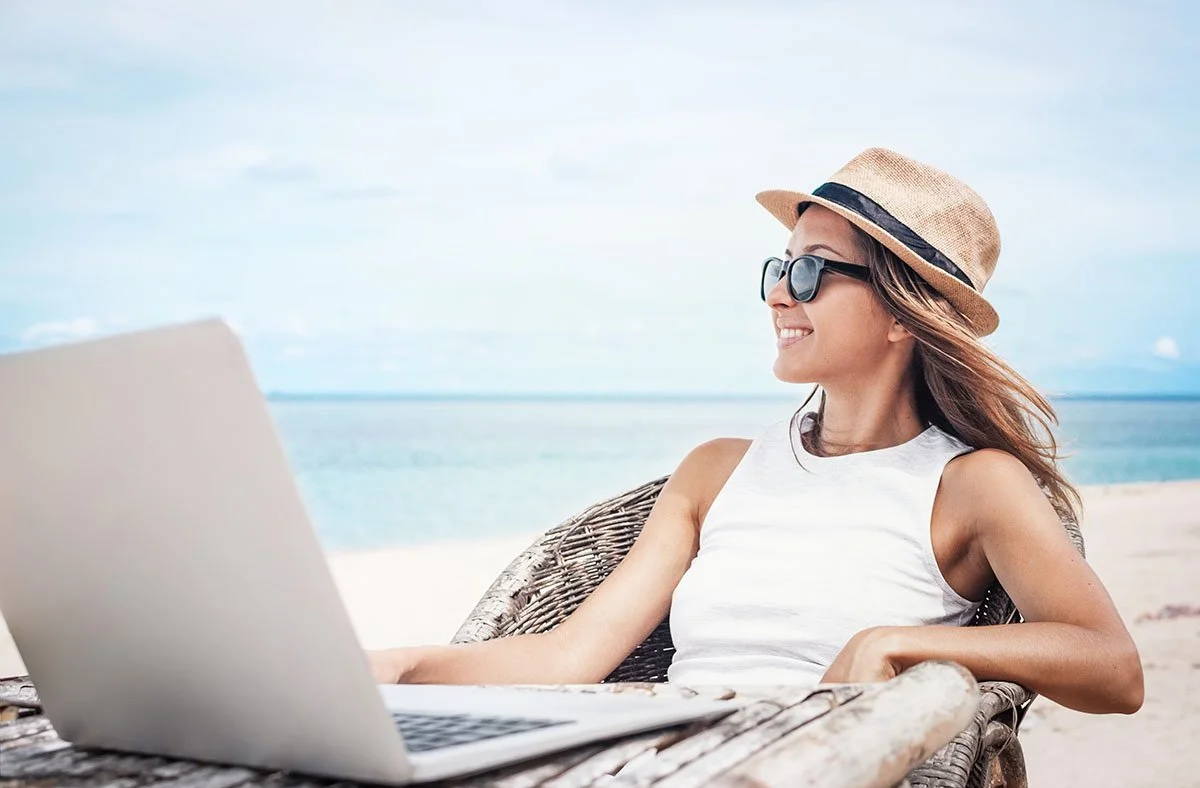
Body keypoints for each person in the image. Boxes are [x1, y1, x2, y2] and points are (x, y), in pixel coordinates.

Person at [367, 148, 1143, 715]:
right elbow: (572, 653)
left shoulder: (971, 486)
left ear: (904, 314)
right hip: (670, 761)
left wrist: (898, 643)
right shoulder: (715, 471)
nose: (779, 296)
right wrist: (402, 664)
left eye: (810, 272)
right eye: (778, 269)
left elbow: (1112, 666)